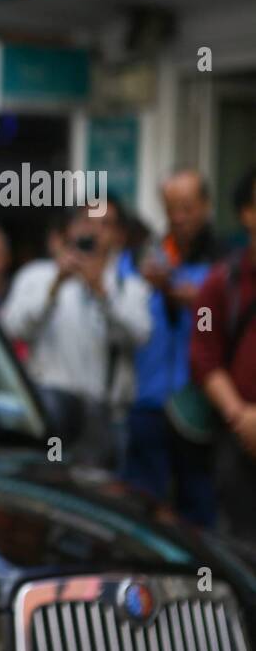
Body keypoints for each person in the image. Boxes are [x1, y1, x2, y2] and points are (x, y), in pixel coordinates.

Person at [0, 199, 152, 467]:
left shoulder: (129, 287)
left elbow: (140, 335)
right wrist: (54, 286)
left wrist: (103, 293)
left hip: (102, 416)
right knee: (49, 487)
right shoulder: (37, 276)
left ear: (119, 236)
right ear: (72, 228)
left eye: (105, 225)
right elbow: (12, 328)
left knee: (97, 494)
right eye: (87, 221)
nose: (94, 231)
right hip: (50, 408)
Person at [119, 170, 222, 526]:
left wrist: (200, 304)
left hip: (197, 408)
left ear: (207, 207)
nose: (178, 217)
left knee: (198, 513)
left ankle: (203, 582)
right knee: (140, 511)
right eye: (170, 209)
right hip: (147, 402)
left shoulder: (224, 265)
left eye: (187, 208)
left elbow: (216, 331)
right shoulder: (143, 258)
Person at [192, 167, 256, 536]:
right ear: (246, 213)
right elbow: (203, 354)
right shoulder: (218, 284)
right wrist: (241, 416)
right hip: (240, 438)